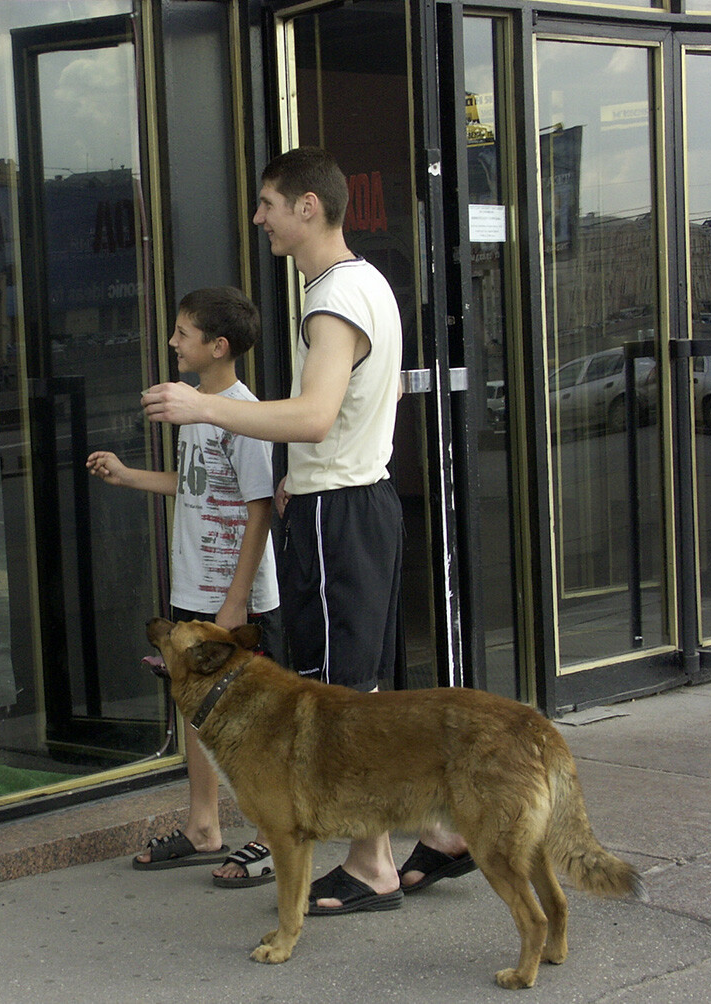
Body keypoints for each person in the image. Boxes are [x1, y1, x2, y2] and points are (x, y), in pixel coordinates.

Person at [140, 149, 473, 914]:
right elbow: (355, 408)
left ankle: (371, 867)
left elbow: (316, 413)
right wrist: (307, 468)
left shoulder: (331, 300)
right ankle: (435, 833)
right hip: (364, 501)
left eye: (267, 204)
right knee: (371, 689)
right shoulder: (366, 286)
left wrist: (207, 407)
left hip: (339, 515)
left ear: (308, 209)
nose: (258, 218)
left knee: (338, 701)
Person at [88, 286, 283, 888]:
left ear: (217, 346)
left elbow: (259, 508)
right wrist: (127, 477)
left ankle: (272, 837)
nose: (172, 341)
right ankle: (204, 826)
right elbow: (194, 483)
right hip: (196, 586)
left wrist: (236, 599)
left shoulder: (243, 416)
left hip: (232, 594)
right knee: (197, 713)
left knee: (250, 721)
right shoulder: (194, 407)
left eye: (182, 333)